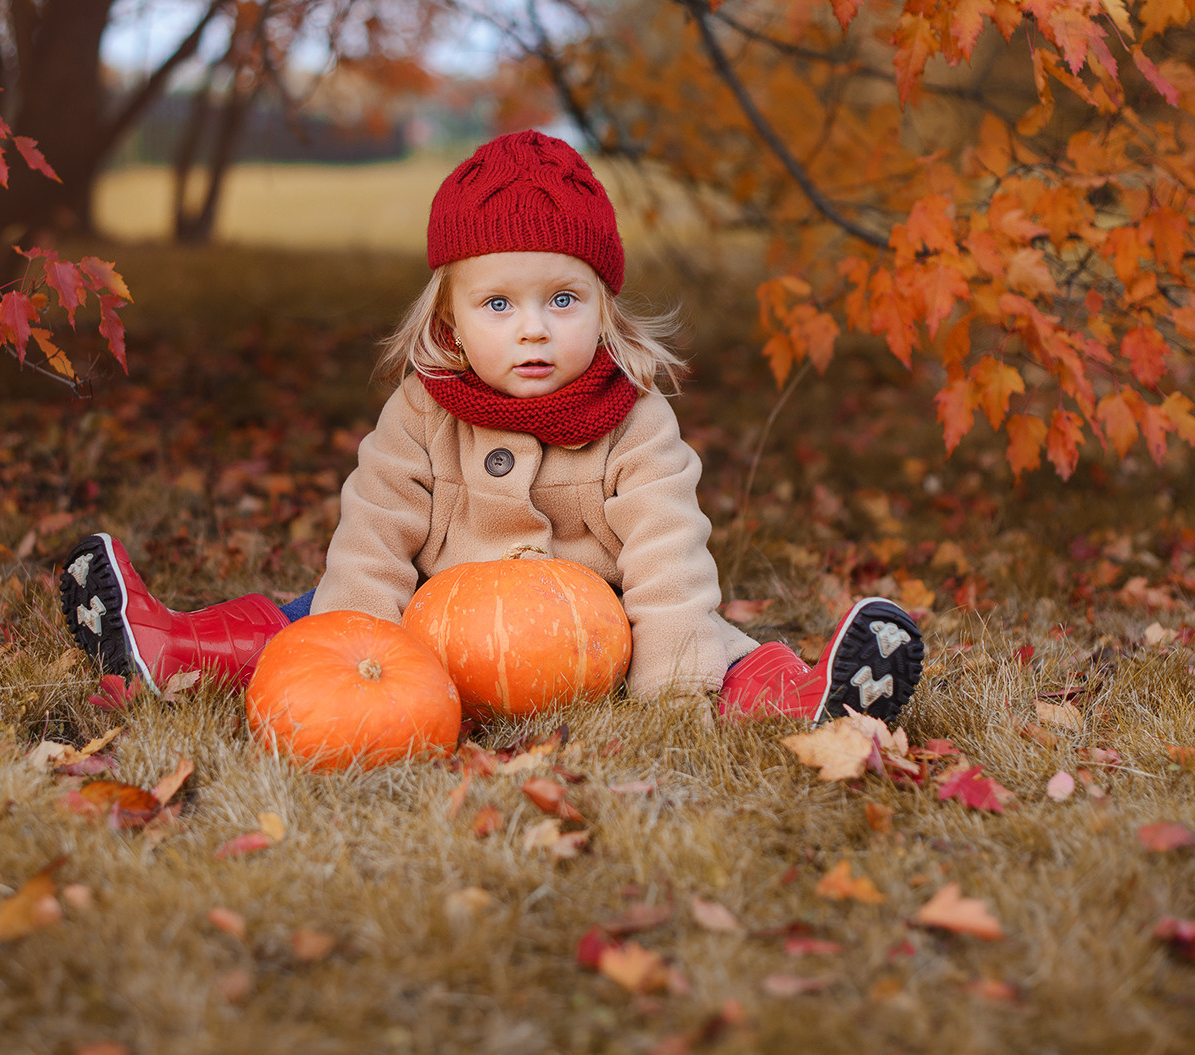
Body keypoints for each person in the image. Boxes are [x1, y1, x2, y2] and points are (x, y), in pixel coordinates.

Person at [56, 130, 922, 725]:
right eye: (499, 304)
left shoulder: (635, 419)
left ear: (604, 306)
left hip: (598, 645)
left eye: (563, 299)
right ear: (450, 317)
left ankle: (807, 698)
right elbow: (375, 532)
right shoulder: (423, 409)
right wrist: (357, 653)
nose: (533, 329)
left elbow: (668, 557)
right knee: (308, 617)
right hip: (433, 636)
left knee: (714, 648)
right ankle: (169, 647)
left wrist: (670, 683)